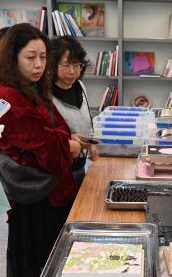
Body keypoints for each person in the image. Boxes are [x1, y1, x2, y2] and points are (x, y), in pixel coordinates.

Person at [0, 24, 81, 277]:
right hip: (36, 194)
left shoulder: (32, 88)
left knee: (52, 255)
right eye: (31, 57)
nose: (39, 64)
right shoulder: (7, 95)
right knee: (42, 259)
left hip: (49, 188)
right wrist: (68, 145)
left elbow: (59, 127)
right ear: (13, 57)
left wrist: (62, 139)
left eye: (43, 57)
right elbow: (44, 144)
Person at [49, 36, 99, 184]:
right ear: (53, 65)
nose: (72, 71)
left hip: (80, 165)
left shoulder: (80, 87)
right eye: (66, 65)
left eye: (76, 64)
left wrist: (91, 143)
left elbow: (85, 122)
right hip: (59, 173)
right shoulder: (46, 95)